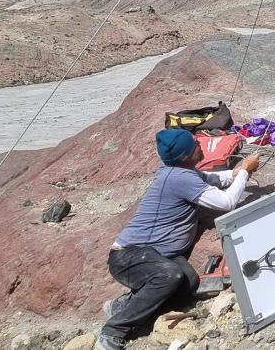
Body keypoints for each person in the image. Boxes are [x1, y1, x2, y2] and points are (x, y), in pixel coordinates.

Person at [96, 130, 260, 350]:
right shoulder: (180, 178)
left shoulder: (180, 171)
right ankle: (114, 330)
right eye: (195, 145)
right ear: (184, 156)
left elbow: (213, 179)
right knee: (169, 277)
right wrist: (245, 172)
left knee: (188, 284)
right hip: (130, 255)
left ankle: (123, 305)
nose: (200, 145)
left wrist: (236, 172)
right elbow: (226, 202)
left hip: (159, 254)